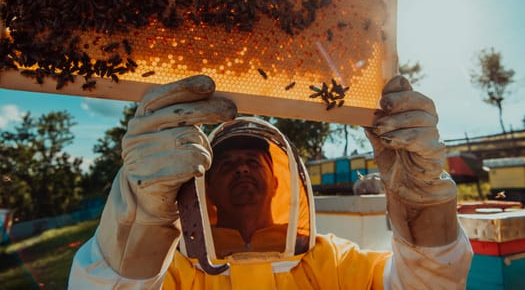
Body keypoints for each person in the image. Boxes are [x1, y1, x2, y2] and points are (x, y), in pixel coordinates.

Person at [68, 74, 473, 289]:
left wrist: (423, 208)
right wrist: (141, 219)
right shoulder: (173, 272)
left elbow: (428, 285)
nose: (241, 168)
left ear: (280, 179)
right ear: (204, 185)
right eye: (226, 164)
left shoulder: (332, 262)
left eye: (252, 160)